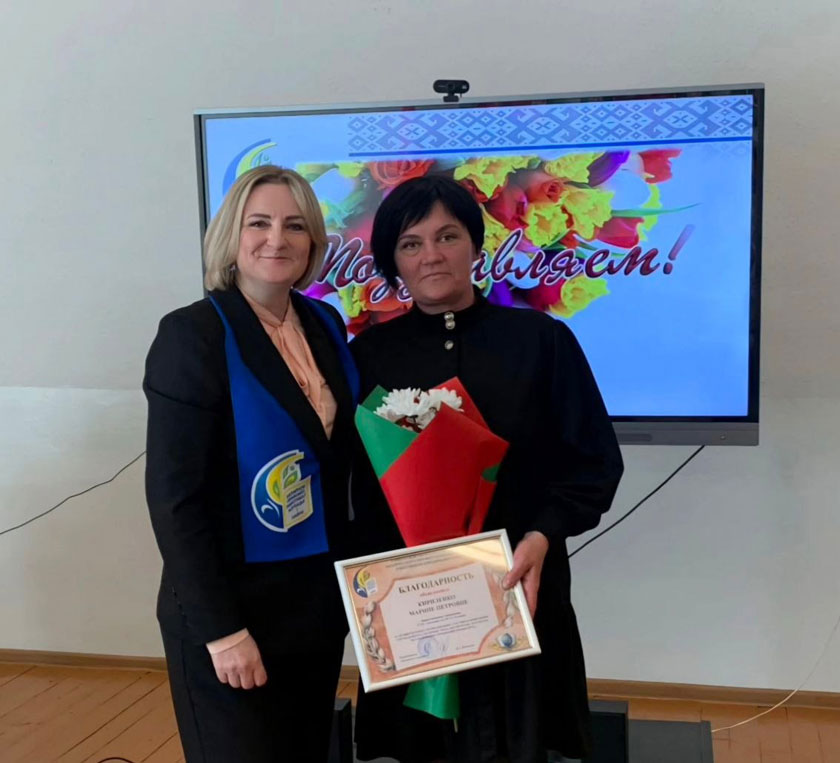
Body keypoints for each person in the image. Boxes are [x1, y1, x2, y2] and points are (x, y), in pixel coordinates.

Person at [349, 175, 624, 763]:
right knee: (418, 748)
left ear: (475, 245)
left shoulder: (542, 340)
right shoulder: (367, 356)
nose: (432, 255)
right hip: (409, 599)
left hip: (517, 584)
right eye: (411, 243)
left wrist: (541, 535)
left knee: (519, 741)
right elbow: (353, 483)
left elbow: (594, 462)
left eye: (447, 236)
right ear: (393, 261)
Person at [144, 165, 358, 763]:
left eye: (295, 225)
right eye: (258, 223)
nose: (277, 239)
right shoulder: (192, 335)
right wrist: (222, 630)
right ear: (230, 237)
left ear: (313, 241)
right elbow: (174, 499)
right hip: (232, 607)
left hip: (313, 602)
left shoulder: (325, 323)